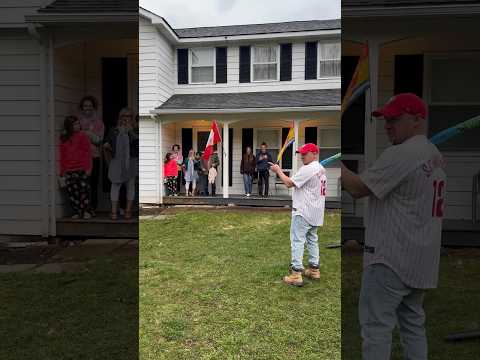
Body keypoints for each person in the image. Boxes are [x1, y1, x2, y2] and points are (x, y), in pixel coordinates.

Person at [340, 93, 446, 360]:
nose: (388, 125)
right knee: (412, 325)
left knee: (376, 328)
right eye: (385, 120)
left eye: (395, 119)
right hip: (419, 258)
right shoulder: (432, 154)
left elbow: (357, 188)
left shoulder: (402, 153)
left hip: (390, 258)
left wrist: (334, 166)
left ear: (417, 120)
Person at [269, 143, 327, 287]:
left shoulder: (308, 169)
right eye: (301, 153)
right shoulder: (320, 168)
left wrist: (278, 170)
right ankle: (314, 270)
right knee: (312, 239)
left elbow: (289, 183)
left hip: (303, 211)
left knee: (297, 240)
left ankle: (296, 274)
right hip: (316, 211)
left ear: (314, 153)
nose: (302, 155)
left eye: (305, 153)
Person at [103, 108, 138, 220]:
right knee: (115, 185)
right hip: (116, 161)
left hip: (131, 161)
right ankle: (113, 212)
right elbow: (106, 143)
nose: (125, 118)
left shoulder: (135, 131)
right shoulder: (113, 130)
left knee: (130, 186)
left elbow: (137, 144)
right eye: (123, 116)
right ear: (120, 117)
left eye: (128, 116)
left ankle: (128, 211)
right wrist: (107, 146)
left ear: (131, 118)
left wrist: (130, 131)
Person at [59, 115, 93, 220]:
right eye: (74, 124)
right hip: (69, 170)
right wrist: (63, 170)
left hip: (81, 169)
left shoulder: (83, 136)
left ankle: (86, 211)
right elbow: (63, 156)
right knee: (72, 192)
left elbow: (88, 153)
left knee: (84, 191)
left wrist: (88, 167)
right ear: (69, 126)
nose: (77, 125)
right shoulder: (65, 139)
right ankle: (76, 211)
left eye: (78, 123)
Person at [78, 95, 104, 216]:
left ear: (93, 107)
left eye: (89, 106)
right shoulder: (78, 122)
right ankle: (83, 209)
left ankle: (92, 208)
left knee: (93, 184)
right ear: (82, 108)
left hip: (94, 156)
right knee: (82, 184)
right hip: (81, 157)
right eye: (85, 106)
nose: (87, 108)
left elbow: (99, 140)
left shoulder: (98, 123)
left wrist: (87, 133)